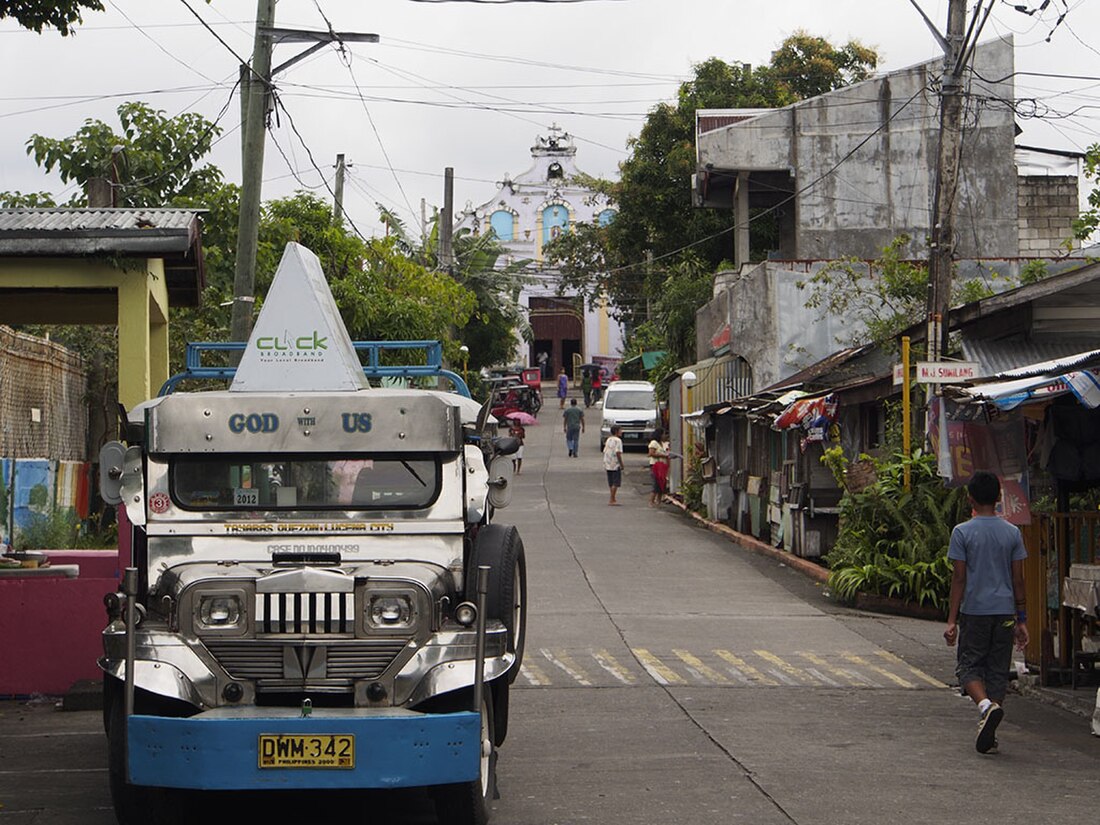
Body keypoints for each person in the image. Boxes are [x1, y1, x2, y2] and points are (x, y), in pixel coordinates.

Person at [944, 470, 1028, 755]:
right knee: (996, 671)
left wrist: (952, 619)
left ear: (970, 498)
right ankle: (989, 727)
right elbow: (1018, 579)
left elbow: (959, 579)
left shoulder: (962, 532)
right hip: (1005, 610)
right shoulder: (1012, 532)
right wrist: (1022, 619)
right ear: (999, 498)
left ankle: (985, 707)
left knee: (968, 667)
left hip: (975, 611)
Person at [647, 427, 670, 507]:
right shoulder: (654, 443)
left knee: (662, 483)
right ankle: (651, 501)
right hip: (656, 465)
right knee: (656, 483)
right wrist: (663, 455)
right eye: (664, 434)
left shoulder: (662, 444)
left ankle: (658, 501)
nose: (665, 436)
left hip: (662, 465)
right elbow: (651, 453)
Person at [602, 425, 624, 505]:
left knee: (611, 482)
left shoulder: (608, 439)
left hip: (608, 462)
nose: (622, 432)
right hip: (615, 463)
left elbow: (605, 450)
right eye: (620, 430)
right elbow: (618, 453)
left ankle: (613, 498)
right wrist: (621, 464)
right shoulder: (618, 441)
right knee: (616, 482)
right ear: (616, 431)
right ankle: (611, 499)